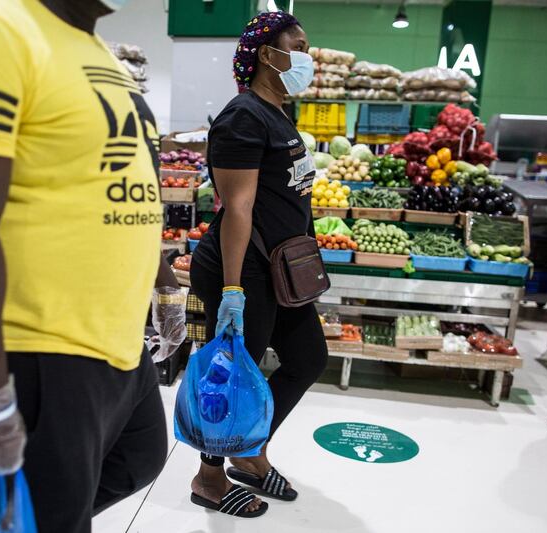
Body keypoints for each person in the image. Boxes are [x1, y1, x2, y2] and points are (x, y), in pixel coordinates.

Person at [0, 1, 185, 532]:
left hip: (115, 337)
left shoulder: (97, 51)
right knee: (58, 515)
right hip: (37, 342)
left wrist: (164, 284)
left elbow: (123, 186)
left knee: (139, 458)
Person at [188, 11, 328, 518]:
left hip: (279, 270)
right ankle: (208, 478)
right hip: (241, 270)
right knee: (229, 377)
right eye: (301, 45)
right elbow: (238, 207)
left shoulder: (277, 112)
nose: (309, 57)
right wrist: (231, 291)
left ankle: (246, 452)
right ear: (269, 55)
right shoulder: (243, 116)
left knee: (308, 358)